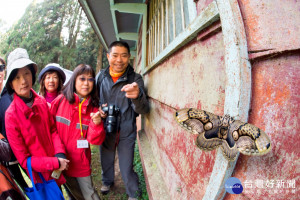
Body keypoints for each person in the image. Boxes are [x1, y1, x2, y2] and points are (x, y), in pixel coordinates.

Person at [4, 48, 69, 188]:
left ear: (32, 75)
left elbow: (52, 130)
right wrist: (54, 162)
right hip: (41, 176)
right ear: (10, 83)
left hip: (57, 168)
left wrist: (60, 153)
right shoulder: (11, 116)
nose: (23, 81)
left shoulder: (40, 101)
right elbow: (23, 159)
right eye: (17, 77)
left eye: (26, 73)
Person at [96, 41, 150, 200]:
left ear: (129, 57)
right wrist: (98, 110)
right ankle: (107, 181)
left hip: (126, 129)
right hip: (106, 127)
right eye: (115, 55)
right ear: (108, 57)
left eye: (124, 55)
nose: (119, 60)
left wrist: (138, 96)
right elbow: (95, 100)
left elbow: (143, 110)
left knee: (126, 166)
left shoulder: (135, 79)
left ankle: (133, 193)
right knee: (105, 158)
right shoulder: (101, 76)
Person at [51, 64, 106, 200]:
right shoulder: (60, 101)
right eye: (82, 79)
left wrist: (97, 123)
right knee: (69, 193)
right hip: (59, 158)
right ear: (74, 80)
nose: (86, 83)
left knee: (90, 194)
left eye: (90, 79)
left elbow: (95, 140)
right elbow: (50, 128)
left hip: (80, 162)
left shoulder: (94, 108)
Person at [0, 57, 29, 191]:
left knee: (42, 182)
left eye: (1, 68)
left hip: (26, 151)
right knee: (23, 188)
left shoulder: (13, 91)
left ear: (4, 71)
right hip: (7, 158)